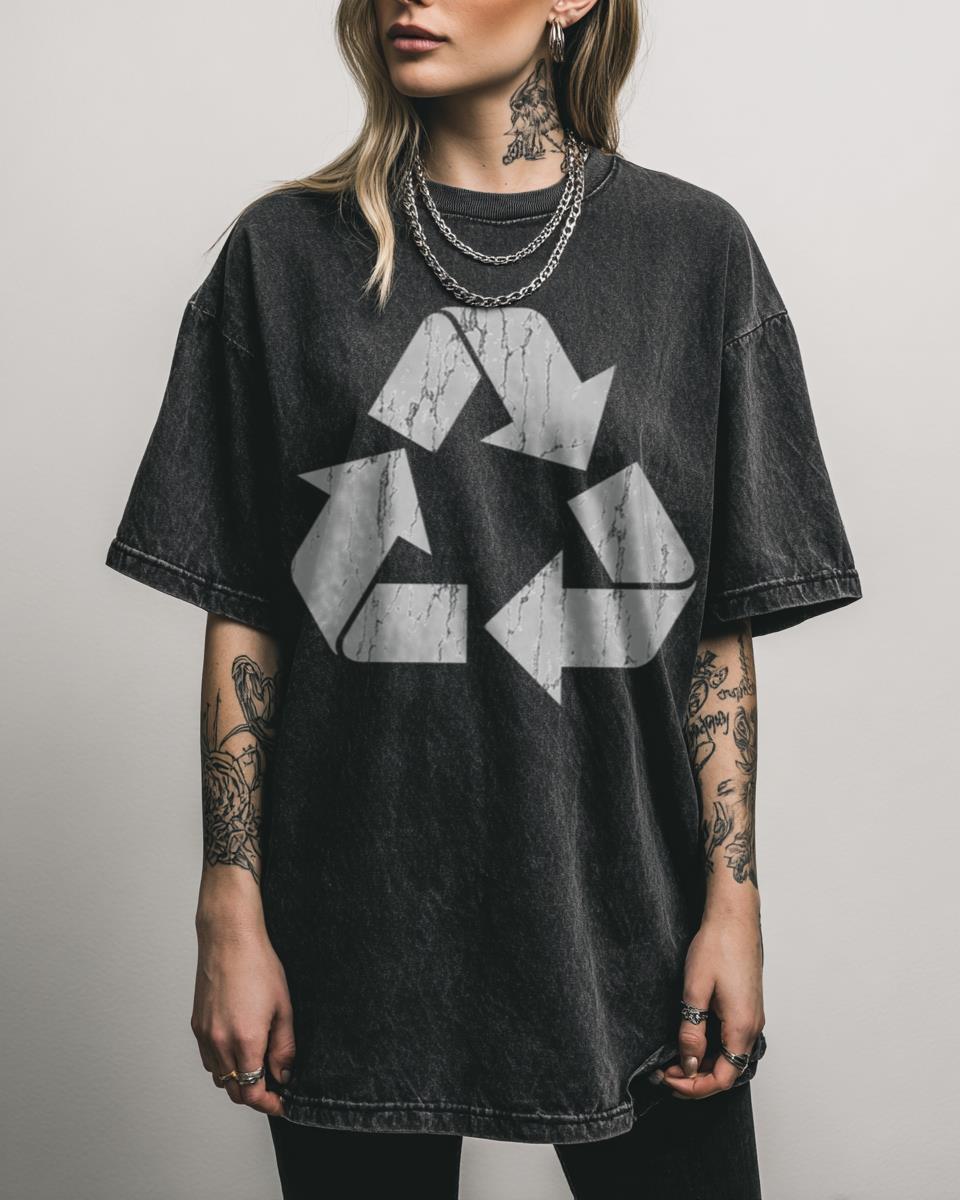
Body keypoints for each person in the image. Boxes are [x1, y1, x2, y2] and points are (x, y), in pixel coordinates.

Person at [104, 1, 863, 1196]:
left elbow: (712, 630)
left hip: (630, 921)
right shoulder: (283, 256)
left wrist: (735, 901)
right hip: (353, 928)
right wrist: (229, 905)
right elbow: (246, 608)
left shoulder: (694, 253)